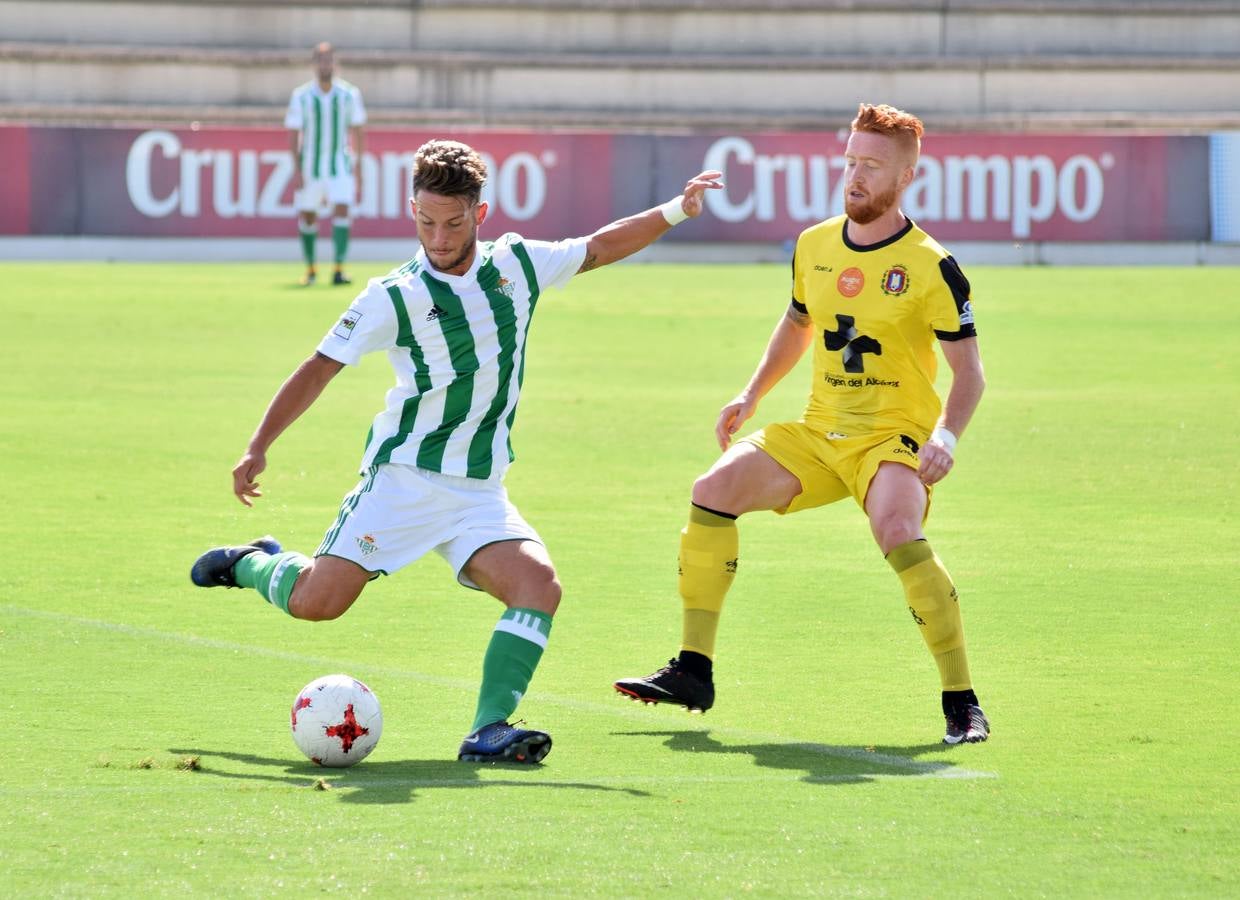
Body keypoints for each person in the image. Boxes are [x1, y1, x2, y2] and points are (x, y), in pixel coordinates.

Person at [191, 139, 724, 763]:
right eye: (425, 222)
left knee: (539, 586)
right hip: (403, 481)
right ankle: (254, 563)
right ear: (411, 210)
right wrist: (258, 446)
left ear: (481, 213)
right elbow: (319, 367)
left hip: (478, 492)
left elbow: (600, 247)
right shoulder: (393, 296)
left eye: (452, 222)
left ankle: (488, 728)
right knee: (316, 604)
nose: (438, 237)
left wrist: (677, 210)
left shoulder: (518, 264)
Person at [614, 103, 991, 745]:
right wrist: (752, 392)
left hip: (892, 437)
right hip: (819, 434)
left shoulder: (932, 265)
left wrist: (944, 438)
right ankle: (693, 669)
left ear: (905, 177)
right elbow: (798, 323)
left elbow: (970, 373)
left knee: (898, 528)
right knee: (713, 490)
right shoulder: (814, 245)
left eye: (872, 165)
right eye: (850, 161)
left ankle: (961, 699)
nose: (855, 176)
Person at [285, 42, 366, 287]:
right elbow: (293, 133)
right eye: (321, 61)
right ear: (314, 65)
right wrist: (297, 169)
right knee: (308, 215)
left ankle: (339, 269)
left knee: (342, 209)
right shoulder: (302, 96)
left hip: (339, 164)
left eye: (329, 60)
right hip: (311, 165)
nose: (325, 65)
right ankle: (310, 269)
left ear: (335, 64)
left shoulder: (349, 94)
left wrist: (358, 164)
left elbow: (358, 128)